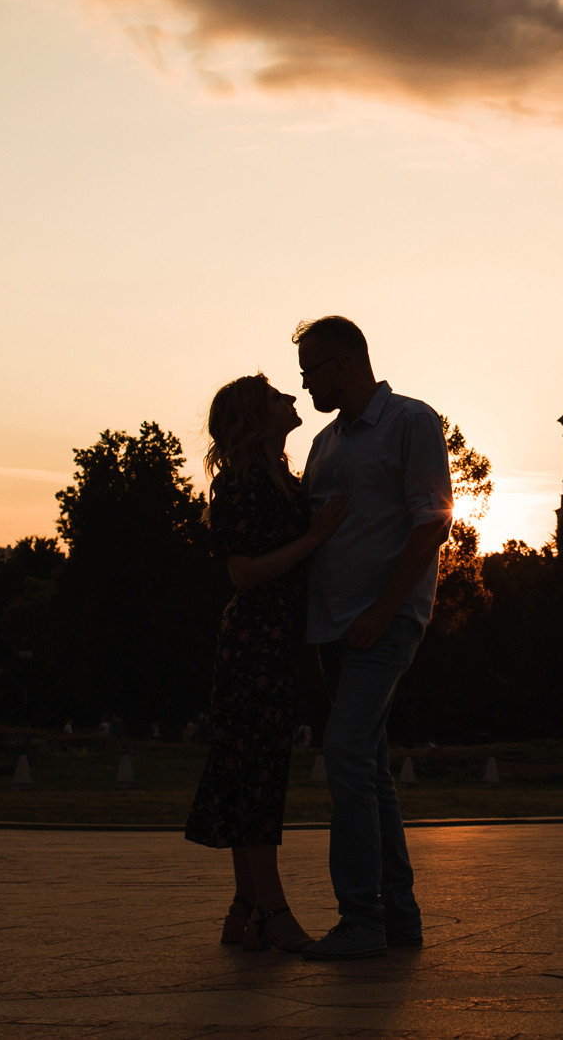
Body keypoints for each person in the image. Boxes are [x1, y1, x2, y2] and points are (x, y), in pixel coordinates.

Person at [295, 316, 453, 959]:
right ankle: (399, 918)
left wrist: (384, 611)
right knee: (369, 767)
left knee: (345, 753)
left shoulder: (411, 422)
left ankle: (361, 918)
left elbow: (431, 524)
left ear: (343, 363)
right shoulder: (325, 445)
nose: (304, 386)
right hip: (333, 626)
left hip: (381, 623)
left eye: (311, 372)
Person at [185, 373, 348, 954]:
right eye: (277, 395)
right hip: (252, 642)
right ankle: (273, 912)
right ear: (258, 416)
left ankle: (245, 911)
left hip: (277, 641)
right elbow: (243, 572)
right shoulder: (241, 483)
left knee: (257, 773)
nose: (291, 398)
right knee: (253, 775)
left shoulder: (281, 477)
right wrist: (317, 535)